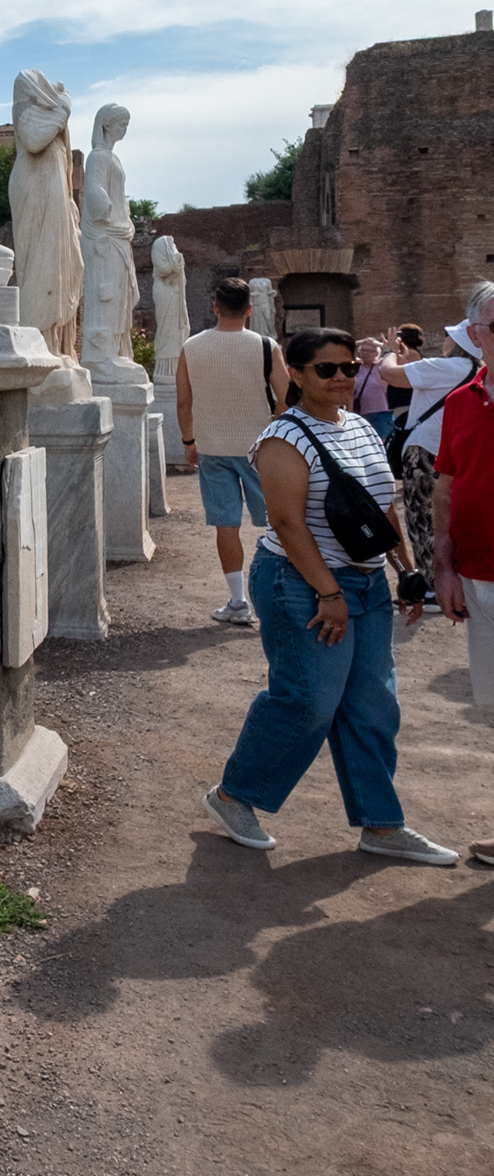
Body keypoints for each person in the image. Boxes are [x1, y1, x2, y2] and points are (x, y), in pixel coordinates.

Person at [203, 330, 455, 861]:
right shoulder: (282, 438)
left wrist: (408, 572)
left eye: (346, 367)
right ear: (295, 375)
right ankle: (233, 795)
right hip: (299, 582)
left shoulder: (361, 427)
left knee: (373, 703)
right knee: (308, 700)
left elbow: (383, 509)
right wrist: (329, 592)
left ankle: (381, 825)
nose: (341, 377)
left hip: (364, 581)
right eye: (325, 370)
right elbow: (288, 524)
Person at [176, 277, 289, 627]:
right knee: (277, 522)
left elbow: (184, 401)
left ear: (215, 307)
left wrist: (188, 441)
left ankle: (238, 601)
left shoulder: (191, 346)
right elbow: (286, 398)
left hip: (211, 445)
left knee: (226, 523)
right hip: (259, 446)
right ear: (250, 310)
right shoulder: (266, 345)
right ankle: (287, 593)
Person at [433, 287, 494, 861]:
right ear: (477, 335)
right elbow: (447, 485)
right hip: (477, 575)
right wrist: (443, 565)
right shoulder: (460, 402)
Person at [396, 325, 477, 593]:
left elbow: (389, 374)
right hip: (445, 448)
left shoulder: (450, 365)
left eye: (447, 335)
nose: (444, 339)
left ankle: (432, 585)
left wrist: (388, 353)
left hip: (425, 448)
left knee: (421, 516)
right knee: (443, 516)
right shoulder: (472, 369)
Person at [351, 337, 397, 441]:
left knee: (382, 445)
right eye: (363, 350)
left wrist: (377, 343)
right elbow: (343, 348)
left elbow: (393, 352)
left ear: (376, 354)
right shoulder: (356, 366)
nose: (366, 353)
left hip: (380, 413)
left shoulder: (381, 365)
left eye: (370, 351)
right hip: (360, 413)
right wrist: (361, 341)